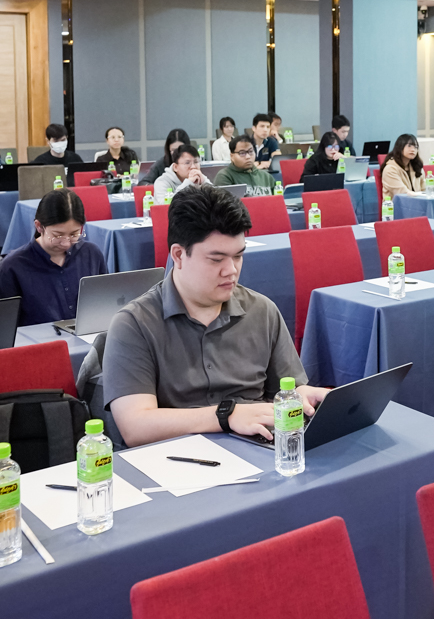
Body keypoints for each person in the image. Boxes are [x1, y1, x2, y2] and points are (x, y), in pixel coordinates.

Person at [101, 185, 329, 446]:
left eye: (238, 256)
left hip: (259, 450)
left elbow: (288, 389)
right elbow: (135, 426)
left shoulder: (262, 311)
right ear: (179, 255)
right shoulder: (135, 324)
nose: (231, 270)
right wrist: (226, 415)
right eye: (216, 259)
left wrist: (303, 395)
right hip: (177, 456)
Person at [0, 188, 109, 327]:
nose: (66, 243)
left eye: (74, 234)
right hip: (36, 340)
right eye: (57, 235)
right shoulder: (12, 267)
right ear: (39, 226)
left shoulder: (91, 254)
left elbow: (106, 305)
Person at [381, 134, 426, 198]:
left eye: (416, 147)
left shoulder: (417, 167)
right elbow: (402, 193)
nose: (413, 149)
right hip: (397, 203)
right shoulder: (390, 169)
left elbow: (425, 189)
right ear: (400, 147)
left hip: (417, 201)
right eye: (409, 146)